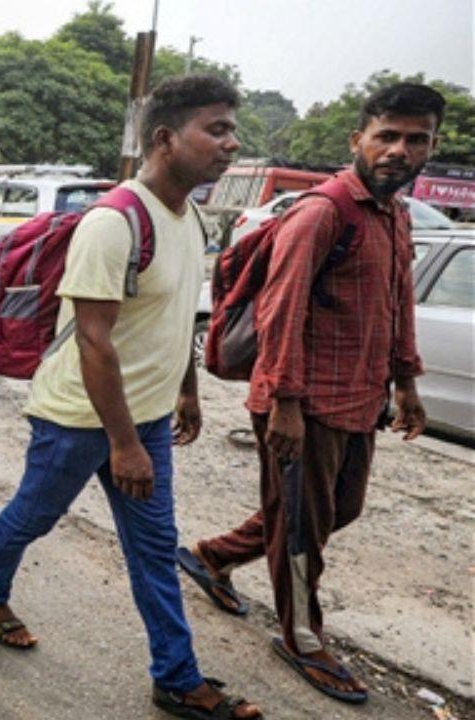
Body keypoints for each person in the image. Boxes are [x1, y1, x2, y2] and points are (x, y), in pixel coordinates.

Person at [0, 76, 262, 719]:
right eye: (218, 129)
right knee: (33, 516)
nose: (233, 144)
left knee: (154, 546)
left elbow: (174, 319)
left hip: (141, 418)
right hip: (77, 418)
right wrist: (123, 445)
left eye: (232, 129)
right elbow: (93, 340)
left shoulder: (192, 216)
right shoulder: (113, 222)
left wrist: (187, 390)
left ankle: (177, 676)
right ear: (167, 139)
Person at [180, 83, 441, 706]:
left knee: (335, 511)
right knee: (302, 528)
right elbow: (281, 312)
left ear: (431, 146)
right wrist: (284, 406)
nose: (399, 150)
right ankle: (302, 638)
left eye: (416, 139)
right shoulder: (323, 213)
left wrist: (405, 382)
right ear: (359, 140)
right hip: (304, 404)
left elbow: (397, 304)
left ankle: (212, 556)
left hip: (360, 401)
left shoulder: (395, 215)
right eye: (387, 136)